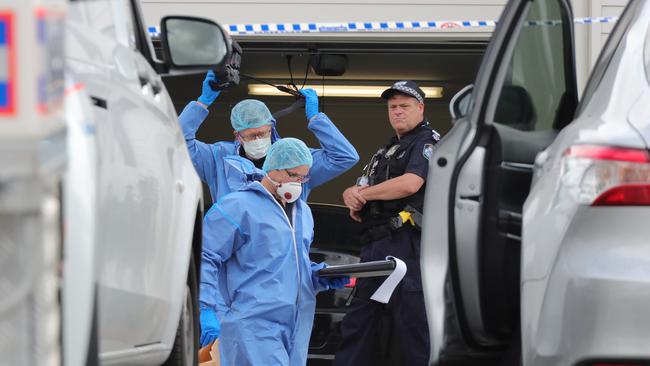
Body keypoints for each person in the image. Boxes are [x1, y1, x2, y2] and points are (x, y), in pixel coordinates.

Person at [198, 137, 349, 365]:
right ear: (272, 168)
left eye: (303, 177)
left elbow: (288, 263)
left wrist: (317, 276)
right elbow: (205, 255)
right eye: (293, 175)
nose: (298, 183)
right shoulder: (238, 206)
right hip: (253, 323)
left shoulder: (303, 213)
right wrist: (205, 307)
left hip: (297, 324)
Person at [333, 81, 441, 366]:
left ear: (420, 108)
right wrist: (351, 195)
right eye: (392, 107)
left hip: (406, 245)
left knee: (410, 326)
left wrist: (364, 195)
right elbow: (363, 185)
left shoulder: (426, 142)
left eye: (404, 106)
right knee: (359, 322)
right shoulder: (387, 149)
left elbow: (410, 183)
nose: (397, 112)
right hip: (375, 245)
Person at [178, 70, 359, 203]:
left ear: (271, 127)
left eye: (263, 133)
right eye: (251, 135)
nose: (258, 139)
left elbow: (344, 157)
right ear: (238, 135)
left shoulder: (295, 157)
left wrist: (315, 118)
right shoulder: (217, 158)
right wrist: (202, 103)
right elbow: (177, 141)